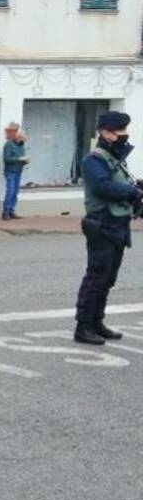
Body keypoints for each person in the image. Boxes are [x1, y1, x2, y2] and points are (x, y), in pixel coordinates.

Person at [74, 111, 143, 345]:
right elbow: (103, 186)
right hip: (101, 224)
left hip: (117, 225)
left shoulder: (115, 158)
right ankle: (83, 326)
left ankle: (97, 322)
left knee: (107, 279)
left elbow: (121, 182)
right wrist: (132, 192)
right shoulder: (94, 159)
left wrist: (137, 187)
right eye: (120, 131)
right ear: (106, 133)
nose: (124, 135)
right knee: (96, 277)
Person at [2, 122, 30, 220]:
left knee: (15, 192)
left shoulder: (21, 146)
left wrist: (26, 161)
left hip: (19, 171)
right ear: (18, 138)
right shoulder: (9, 145)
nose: (23, 141)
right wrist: (19, 159)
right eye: (22, 139)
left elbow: (22, 157)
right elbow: (7, 159)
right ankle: (5, 212)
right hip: (10, 171)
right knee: (10, 191)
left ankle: (11, 210)